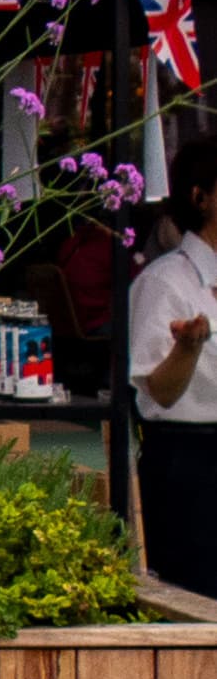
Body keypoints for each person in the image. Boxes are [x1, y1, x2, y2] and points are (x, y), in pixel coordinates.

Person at [131, 134, 217, 596]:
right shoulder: (165, 283)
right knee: (200, 599)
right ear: (200, 196)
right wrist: (188, 347)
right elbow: (159, 393)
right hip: (191, 465)